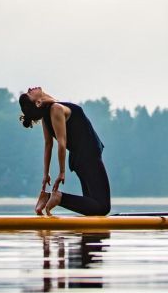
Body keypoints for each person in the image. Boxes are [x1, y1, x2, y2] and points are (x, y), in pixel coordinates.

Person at [19, 87, 111, 216]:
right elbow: (61, 143)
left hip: (81, 159)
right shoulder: (56, 109)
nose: (30, 89)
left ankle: (48, 197)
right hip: (88, 157)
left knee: (94, 207)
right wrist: (61, 172)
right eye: (30, 93)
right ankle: (58, 198)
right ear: (38, 102)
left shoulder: (48, 113)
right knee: (103, 207)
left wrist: (46, 174)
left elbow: (48, 145)